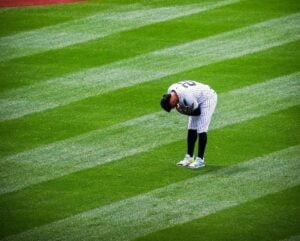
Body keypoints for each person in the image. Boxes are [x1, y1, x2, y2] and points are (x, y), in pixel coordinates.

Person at [160, 80, 217, 169]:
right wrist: (184, 109)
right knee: (191, 127)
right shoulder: (170, 91)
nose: (174, 107)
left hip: (207, 98)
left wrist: (183, 112)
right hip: (196, 98)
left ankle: (200, 160)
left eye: (173, 106)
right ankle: (189, 157)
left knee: (201, 128)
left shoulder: (187, 96)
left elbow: (197, 112)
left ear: (171, 100)